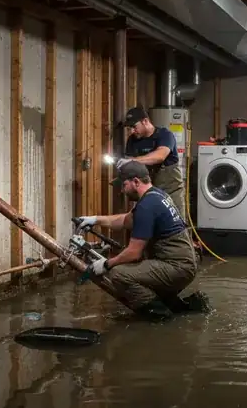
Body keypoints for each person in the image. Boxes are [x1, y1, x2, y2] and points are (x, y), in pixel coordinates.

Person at [75, 160, 209, 321]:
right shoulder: (156, 195)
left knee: (119, 274)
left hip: (176, 266)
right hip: (183, 262)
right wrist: (95, 219)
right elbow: (125, 221)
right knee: (137, 273)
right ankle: (187, 308)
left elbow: (133, 252)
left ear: (136, 182)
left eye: (124, 185)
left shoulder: (147, 206)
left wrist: (106, 264)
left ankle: (160, 317)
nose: (123, 190)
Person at [120, 106, 186, 220]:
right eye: (129, 128)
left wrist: (132, 160)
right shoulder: (132, 141)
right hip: (147, 194)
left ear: (145, 121)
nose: (132, 131)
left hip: (171, 192)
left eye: (134, 127)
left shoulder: (165, 134)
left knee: (177, 225)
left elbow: (160, 156)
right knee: (148, 227)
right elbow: (131, 167)